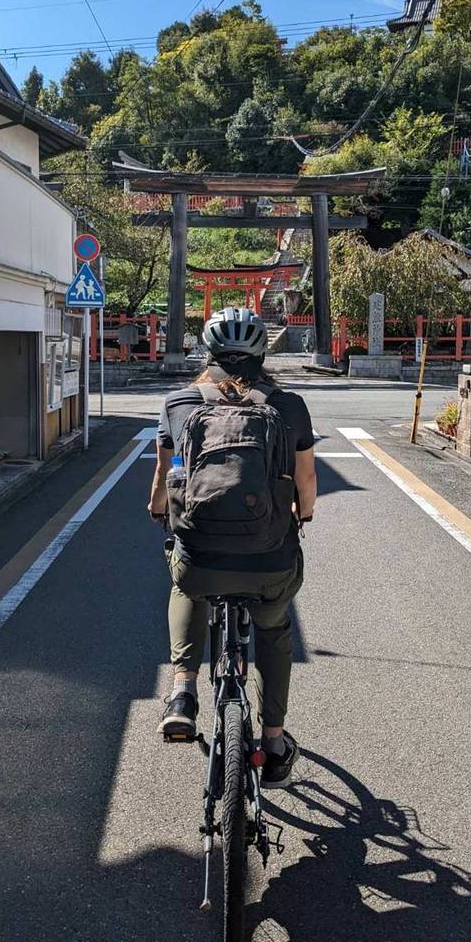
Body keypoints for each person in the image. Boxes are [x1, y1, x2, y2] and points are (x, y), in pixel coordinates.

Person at [148, 306, 316, 789]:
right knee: (275, 627)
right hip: (268, 558)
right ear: (262, 353)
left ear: (208, 351)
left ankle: (182, 693)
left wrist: (158, 509)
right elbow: (306, 484)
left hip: (202, 554)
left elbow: (165, 477)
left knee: (185, 583)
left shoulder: (180, 403)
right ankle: (275, 741)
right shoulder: (289, 406)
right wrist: (302, 516)